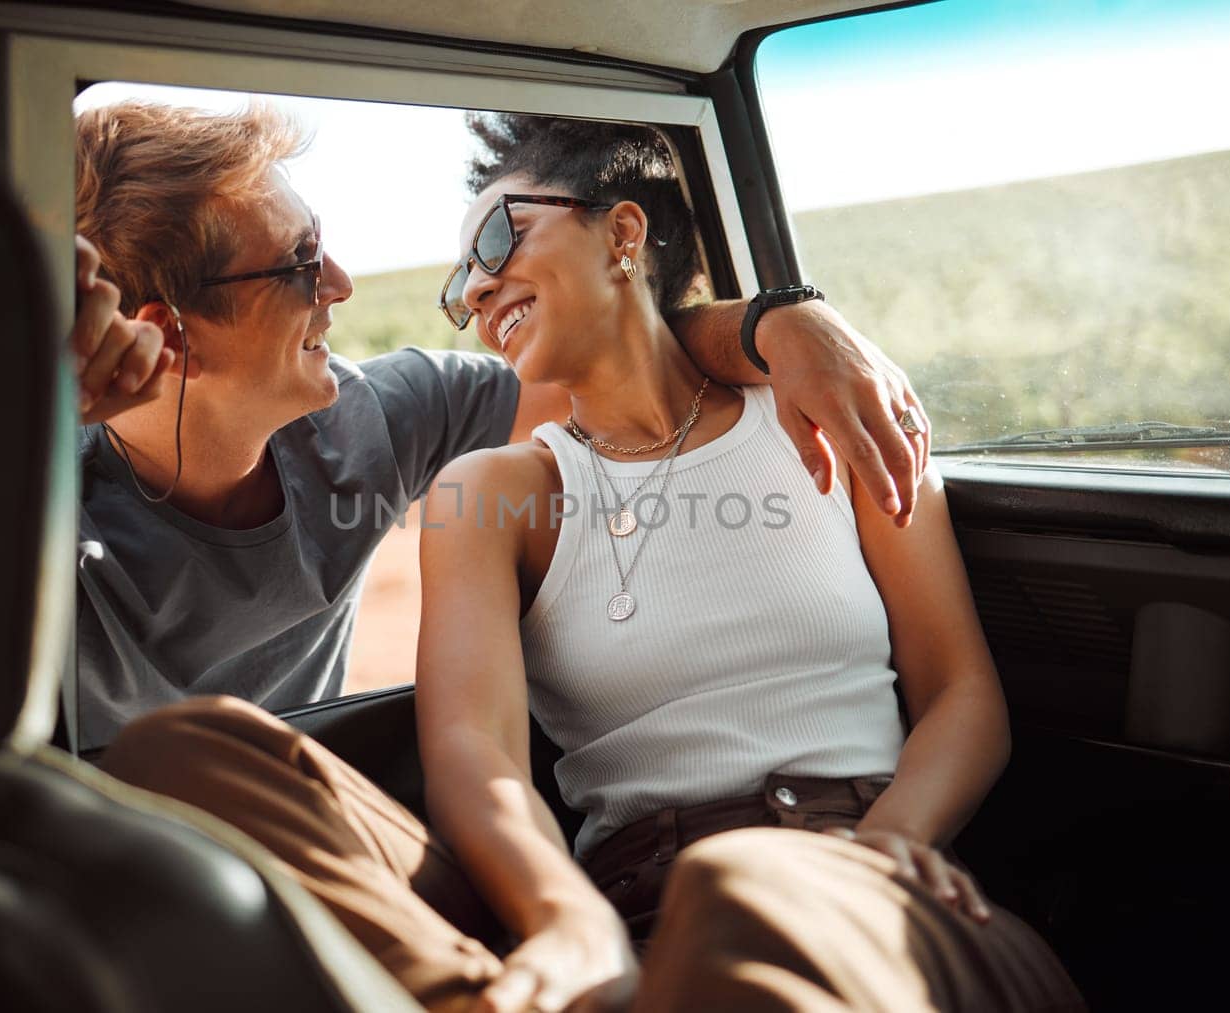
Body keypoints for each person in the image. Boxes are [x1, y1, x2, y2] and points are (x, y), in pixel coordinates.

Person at [98, 114, 1084, 1011]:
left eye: (495, 241)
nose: (475, 286)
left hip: (864, 881)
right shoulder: (487, 491)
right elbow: (477, 763)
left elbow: (960, 689)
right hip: (628, 906)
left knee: (738, 889)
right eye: (460, 283)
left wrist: (785, 322)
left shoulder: (830, 420)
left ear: (621, 234)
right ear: (164, 334)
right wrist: (573, 920)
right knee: (177, 760)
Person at [69, 99, 931, 751]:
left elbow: (615, 360)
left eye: (320, 242)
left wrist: (777, 326)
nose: (340, 283)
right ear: (167, 335)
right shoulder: (33, 510)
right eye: (299, 264)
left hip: (314, 809)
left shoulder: (381, 416)